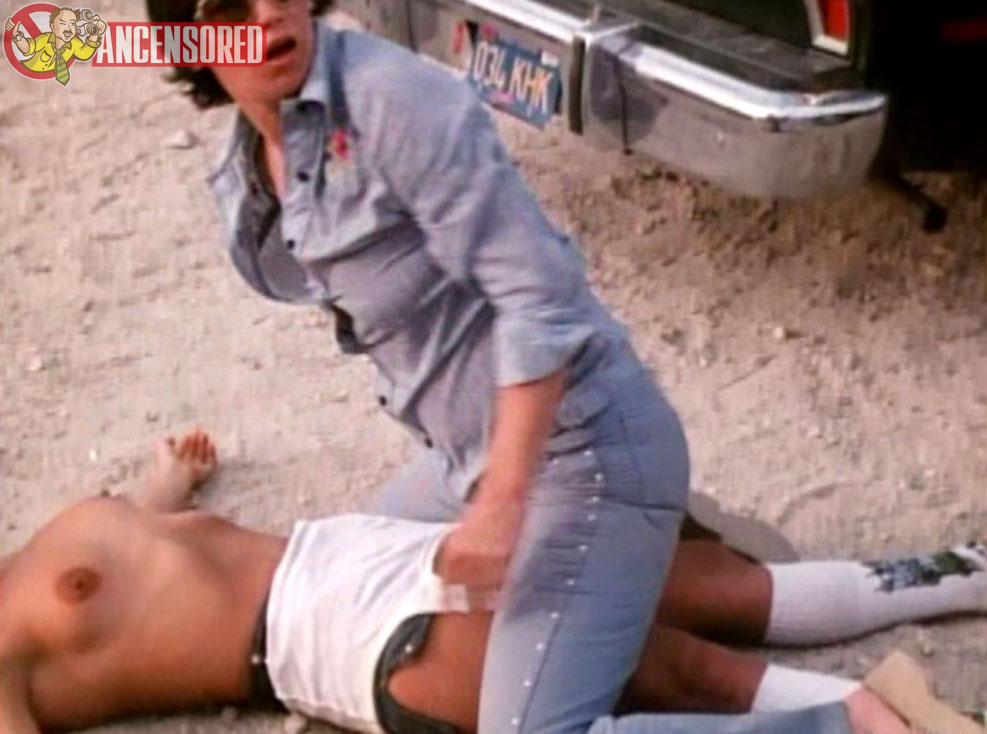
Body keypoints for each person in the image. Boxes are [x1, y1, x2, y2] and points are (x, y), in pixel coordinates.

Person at [140, 2, 966, 734]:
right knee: (379, 566)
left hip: (579, 451)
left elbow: (542, 304)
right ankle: (954, 573)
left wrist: (501, 511)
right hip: (466, 459)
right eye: (228, 8)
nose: (268, 15)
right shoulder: (253, 166)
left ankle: (851, 723)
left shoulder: (396, 101)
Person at [3, 430, 984, 734]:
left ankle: (963, 572)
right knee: (674, 669)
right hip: (336, 640)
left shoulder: (36, 545)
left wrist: (169, 479)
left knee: (704, 587)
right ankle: (863, 722)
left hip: (363, 544)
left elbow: (133, 534)